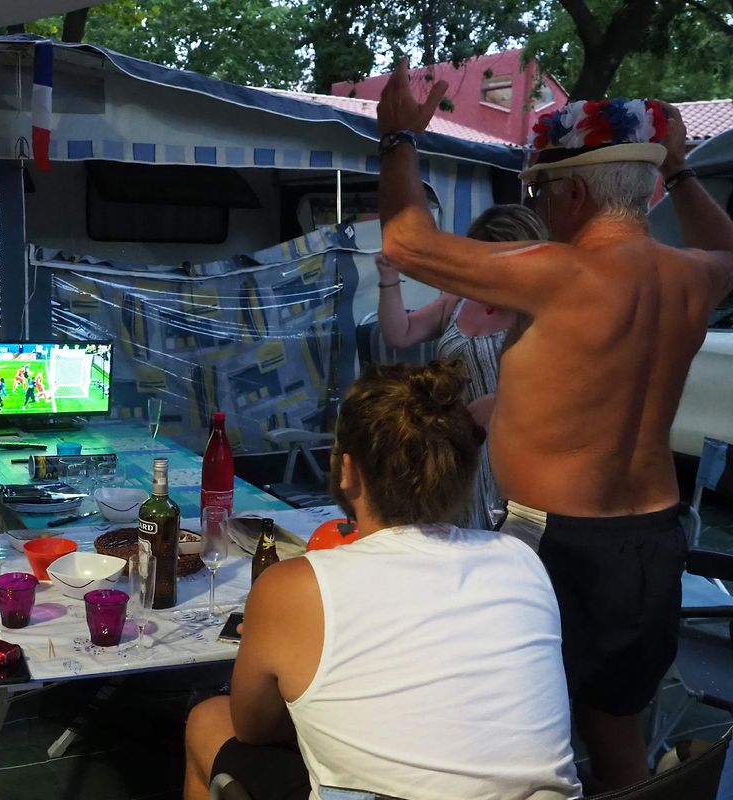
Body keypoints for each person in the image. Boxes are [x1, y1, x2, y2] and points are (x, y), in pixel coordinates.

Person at [375, 60, 733, 788]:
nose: (537, 205)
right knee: (617, 738)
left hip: (556, 544)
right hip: (652, 540)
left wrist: (397, 143)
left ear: (573, 193)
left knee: (514, 737)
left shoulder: (561, 272)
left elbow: (406, 243)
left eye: (539, 190)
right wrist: (680, 170)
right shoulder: (690, 275)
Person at [184, 360, 580, 800]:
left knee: (208, 720)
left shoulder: (292, 586)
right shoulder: (522, 561)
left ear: (347, 470)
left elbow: (253, 728)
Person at [376, 204, 549, 529]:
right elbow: (399, 332)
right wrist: (389, 279)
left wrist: (502, 403)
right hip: (460, 453)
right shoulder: (459, 300)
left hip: (515, 453)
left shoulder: (540, 311)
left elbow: (561, 387)